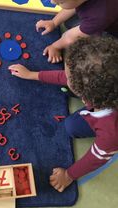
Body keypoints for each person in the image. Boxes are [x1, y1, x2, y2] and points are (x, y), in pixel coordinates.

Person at [8, 37, 118, 192]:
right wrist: (33, 75)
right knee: (73, 124)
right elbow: (67, 77)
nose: (64, 76)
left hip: (110, 125)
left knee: (72, 127)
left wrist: (69, 175)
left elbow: (96, 158)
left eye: (69, 77)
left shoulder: (111, 134)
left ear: (85, 97)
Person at [36, 0, 118, 63]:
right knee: (70, 21)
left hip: (112, 33)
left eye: (61, 2)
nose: (52, 2)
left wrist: (55, 46)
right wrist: (54, 22)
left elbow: (70, 38)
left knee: (90, 51)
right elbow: (74, 5)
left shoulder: (99, 16)